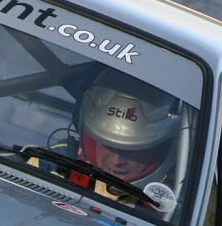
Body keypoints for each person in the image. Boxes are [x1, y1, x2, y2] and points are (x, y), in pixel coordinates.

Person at [29, 68, 183, 205]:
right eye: (108, 146)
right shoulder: (57, 163)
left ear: (157, 150)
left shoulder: (177, 197)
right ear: (91, 140)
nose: (117, 161)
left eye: (131, 150)